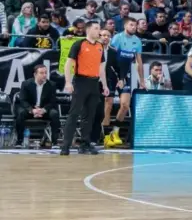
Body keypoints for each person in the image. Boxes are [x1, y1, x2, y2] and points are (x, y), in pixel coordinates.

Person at [60, 21, 108, 156]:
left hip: (94, 83)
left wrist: (104, 85)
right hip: (80, 81)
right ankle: (65, 145)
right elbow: (68, 64)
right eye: (96, 28)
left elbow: (101, 68)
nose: (99, 31)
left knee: (89, 116)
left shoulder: (100, 46)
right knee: (74, 114)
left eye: (99, 28)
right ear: (88, 30)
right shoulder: (79, 44)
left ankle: (85, 144)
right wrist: (68, 82)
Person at [107, 18, 144, 147]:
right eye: (131, 25)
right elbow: (111, 61)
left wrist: (142, 81)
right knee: (108, 104)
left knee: (125, 105)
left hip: (125, 75)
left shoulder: (137, 41)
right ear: (125, 26)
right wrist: (118, 78)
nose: (134, 27)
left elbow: (139, 62)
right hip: (112, 74)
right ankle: (102, 135)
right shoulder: (117, 38)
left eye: (135, 25)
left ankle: (114, 133)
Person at [15, 65, 61, 148]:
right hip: (30, 109)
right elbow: (23, 100)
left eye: (45, 73)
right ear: (35, 74)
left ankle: (55, 142)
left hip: (44, 109)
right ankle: (19, 141)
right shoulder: (26, 84)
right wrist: (32, 110)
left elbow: (52, 101)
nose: (44, 75)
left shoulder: (51, 85)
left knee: (54, 114)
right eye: (41, 73)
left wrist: (43, 110)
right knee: (21, 114)